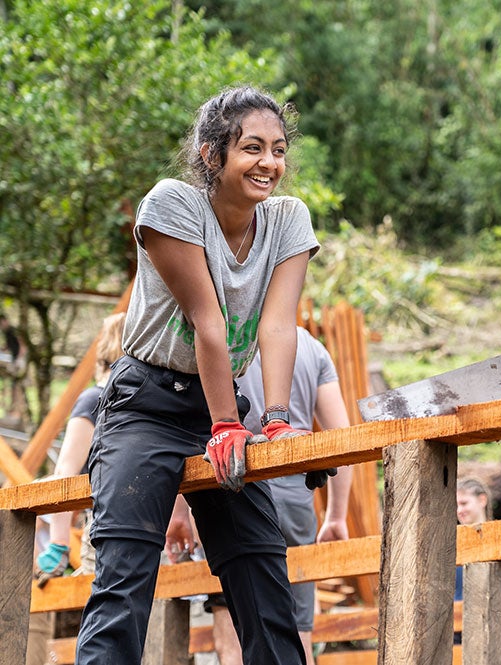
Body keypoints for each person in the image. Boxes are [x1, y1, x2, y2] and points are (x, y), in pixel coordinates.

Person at [74, 85, 320, 665]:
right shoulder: (172, 205)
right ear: (212, 155)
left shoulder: (288, 219)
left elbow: (278, 326)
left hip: (223, 403)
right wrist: (226, 425)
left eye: (279, 150)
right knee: (125, 576)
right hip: (146, 406)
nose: (270, 164)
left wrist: (277, 420)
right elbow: (208, 323)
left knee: (262, 574)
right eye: (252, 148)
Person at [168, 327, 353, 665]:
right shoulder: (312, 348)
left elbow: (189, 432)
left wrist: (179, 513)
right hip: (297, 498)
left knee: (234, 629)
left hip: (234, 492)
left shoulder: (225, 334)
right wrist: (336, 516)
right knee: (296, 632)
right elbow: (340, 435)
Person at [34, 311, 127, 585]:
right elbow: (67, 475)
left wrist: (58, 545)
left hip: (116, 522)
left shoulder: (95, 400)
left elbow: (65, 471)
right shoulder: (96, 400)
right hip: (107, 520)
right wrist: (59, 544)